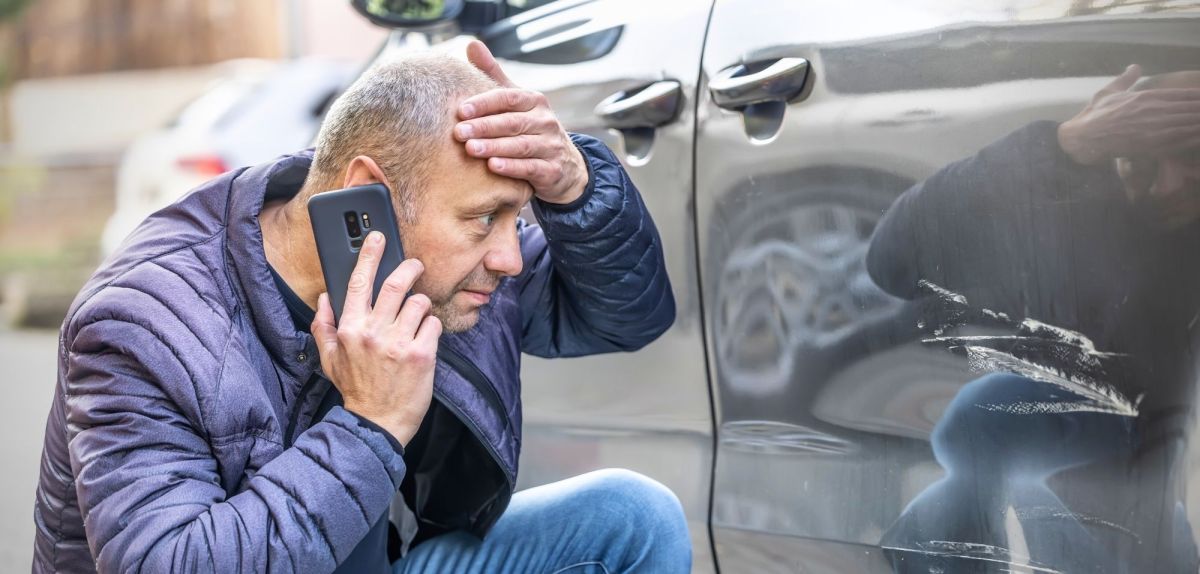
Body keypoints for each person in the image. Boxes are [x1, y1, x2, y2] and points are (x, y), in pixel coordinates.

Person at [32, 42, 689, 573]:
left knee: (634, 519)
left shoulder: (439, 268)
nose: (510, 257)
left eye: (514, 219)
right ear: (368, 199)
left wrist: (576, 189)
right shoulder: (142, 324)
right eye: (485, 218)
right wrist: (370, 424)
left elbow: (623, 315)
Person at [868, 66, 1200, 573]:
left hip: (1140, 490)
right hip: (1115, 488)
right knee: (978, 421)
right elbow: (894, 258)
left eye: (1194, 155)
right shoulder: (1089, 203)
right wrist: (1068, 145)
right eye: (1142, 161)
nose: (1167, 186)